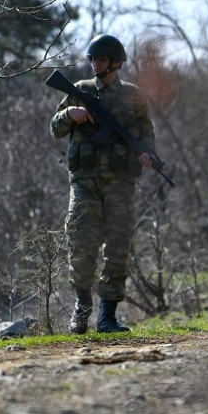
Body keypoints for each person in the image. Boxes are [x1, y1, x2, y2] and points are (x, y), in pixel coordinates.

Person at [50, 34, 156, 334]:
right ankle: (81, 311)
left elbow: (146, 133)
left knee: (118, 248)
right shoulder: (79, 91)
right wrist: (69, 113)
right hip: (84, 183)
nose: (96, 63)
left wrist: (148, 154)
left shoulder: (134, 96)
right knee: (81, 246)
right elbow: (55, 128)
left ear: (116, 63)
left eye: (102, 59)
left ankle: (107, 316)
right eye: (93, 59)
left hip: (121, 184)